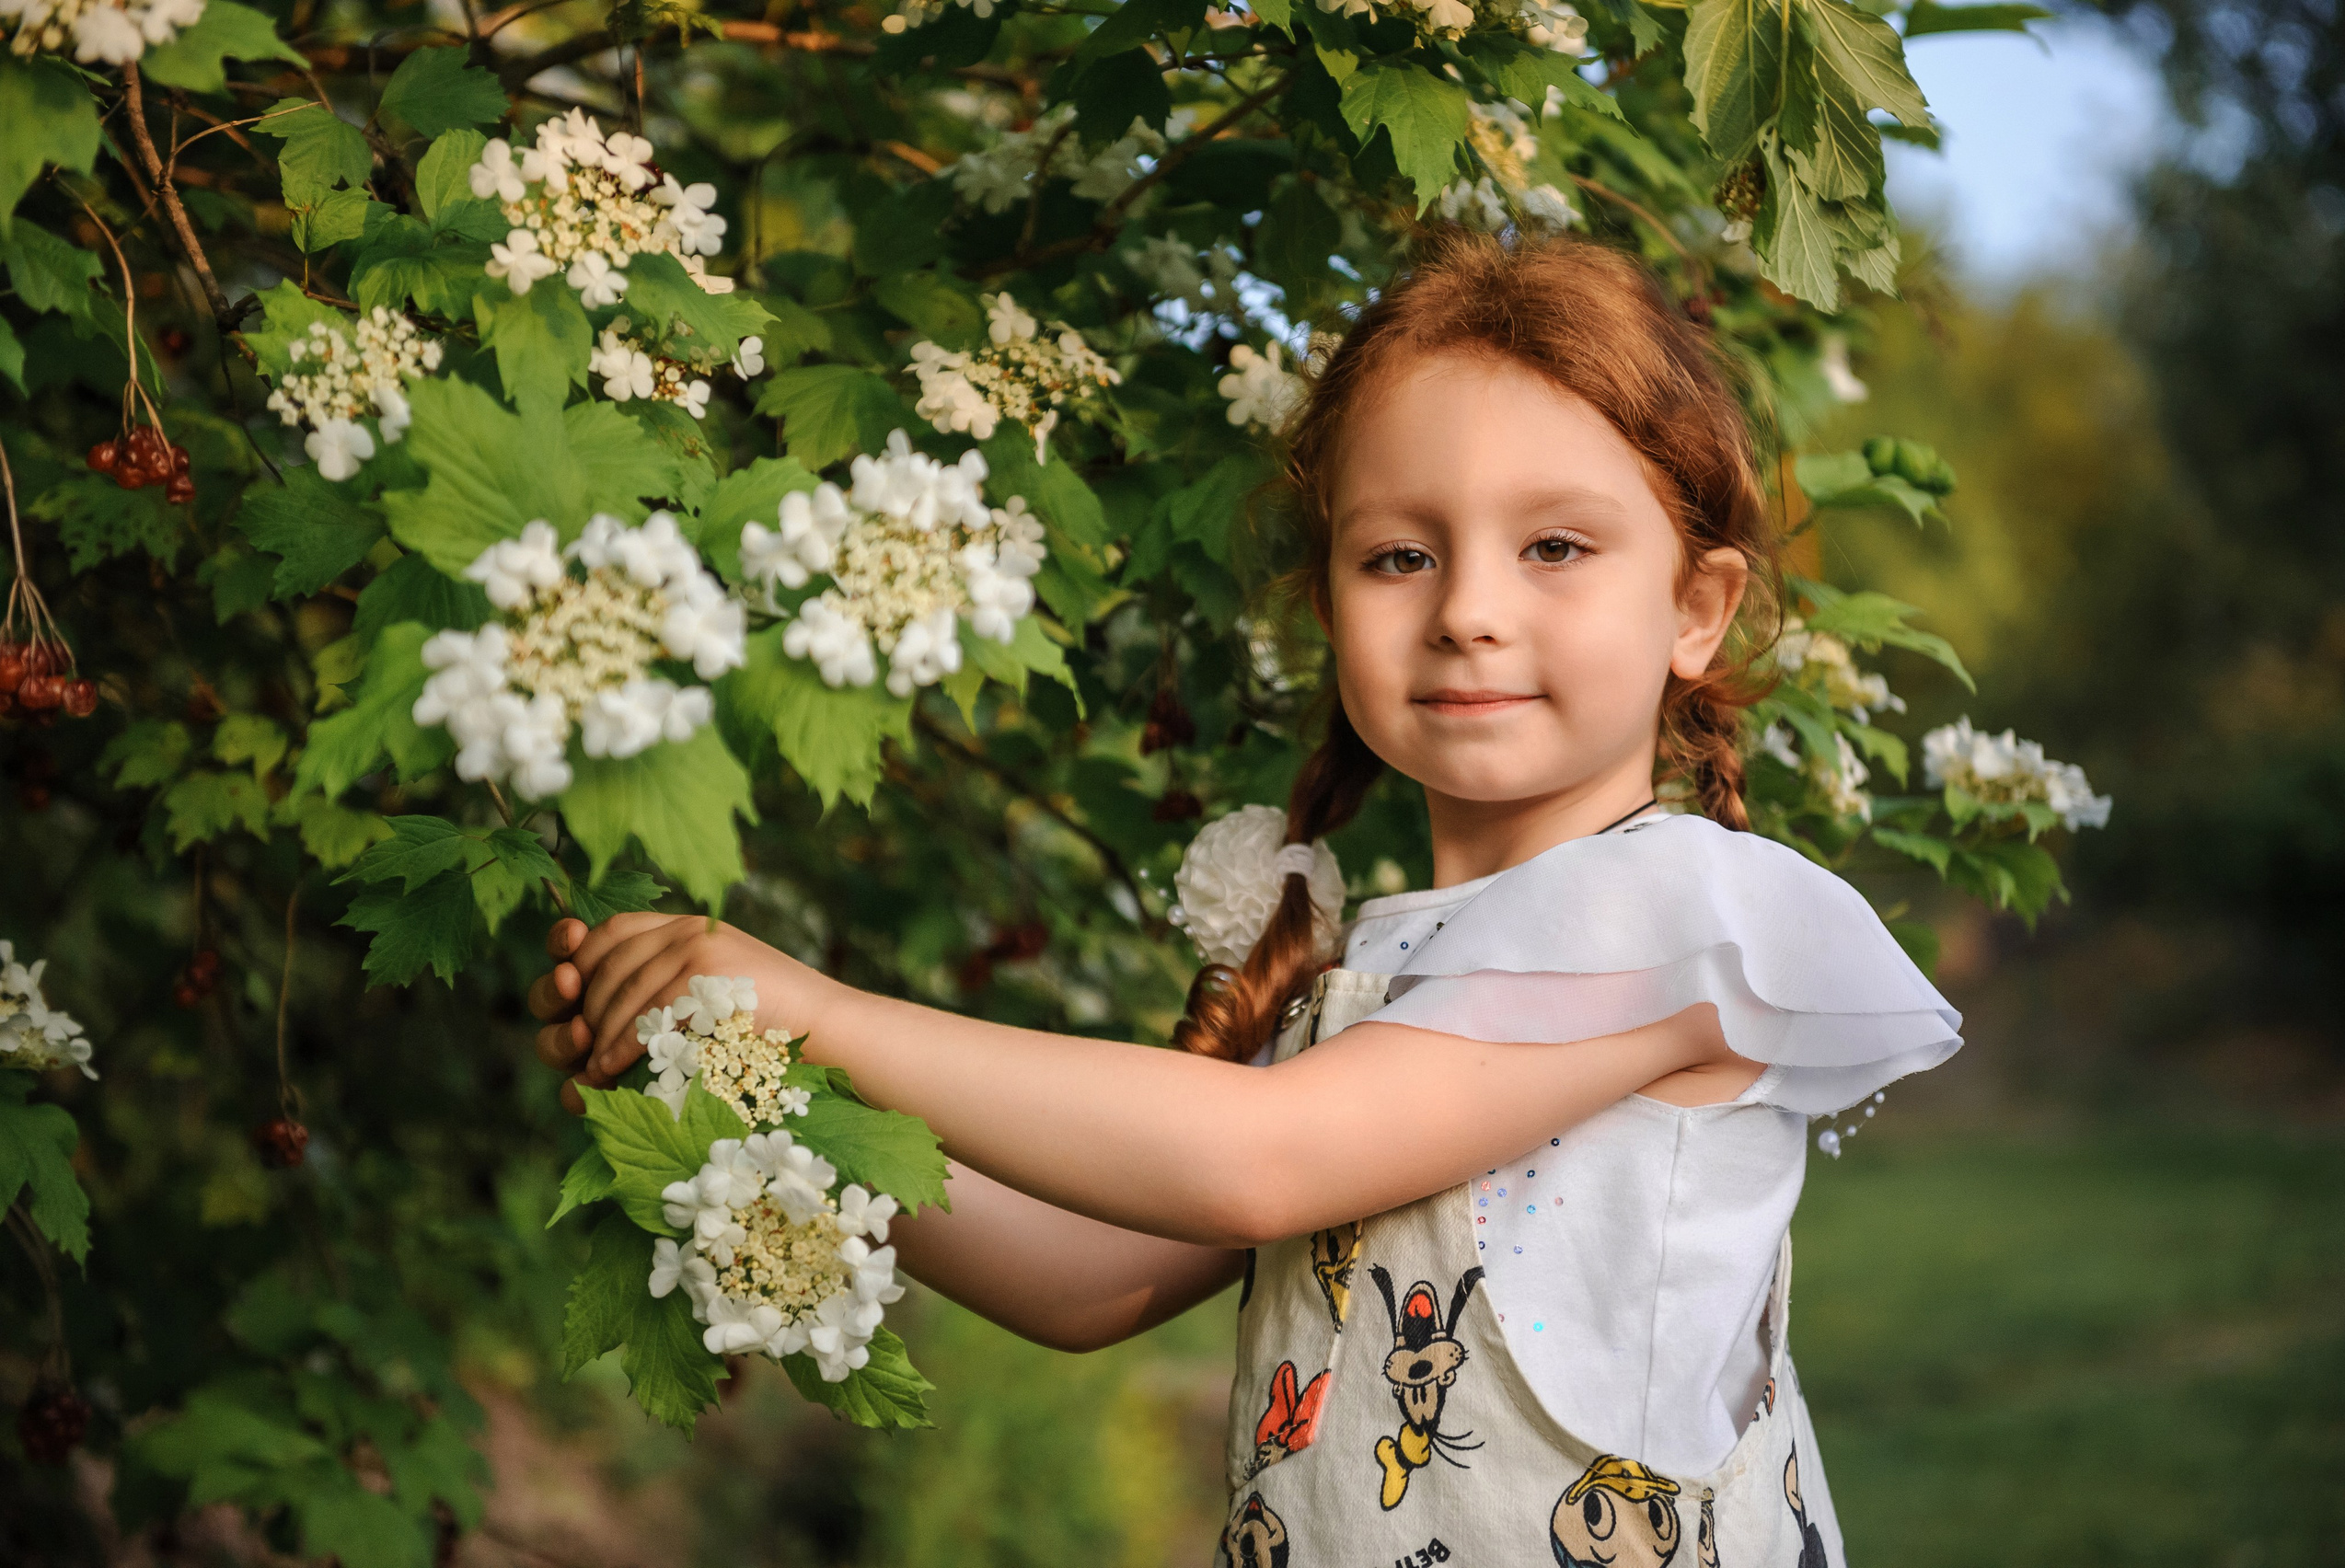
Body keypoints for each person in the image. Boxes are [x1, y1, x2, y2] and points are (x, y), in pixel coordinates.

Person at [526, 232, 1960, 1566]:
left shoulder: (1676, 916)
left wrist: (822, 1011)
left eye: (1556, 548)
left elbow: (1253, 1161)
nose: (1467, 607)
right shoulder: (1390, 985)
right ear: (1331, 601)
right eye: (1400, 553)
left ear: (1695, 611)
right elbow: (1090, 1280)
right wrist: (752, 1077)